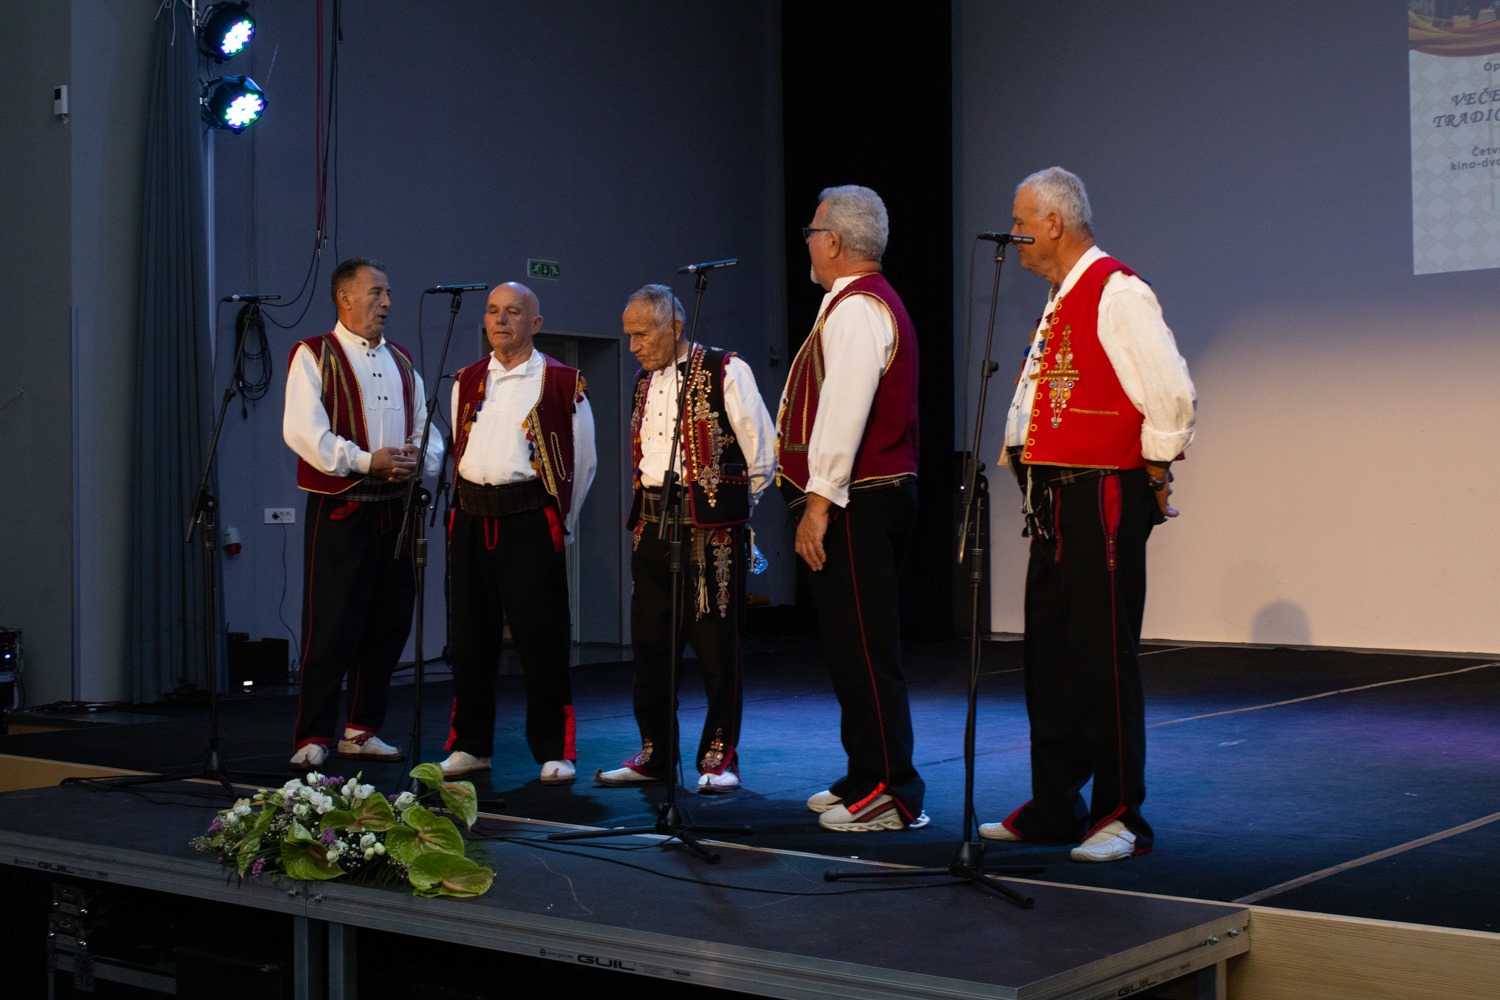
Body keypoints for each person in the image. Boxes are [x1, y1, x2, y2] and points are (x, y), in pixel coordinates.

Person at [980, 166, 1196, 862]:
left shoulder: (1117, 291)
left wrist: (1154, 471)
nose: (1014, 233)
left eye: (1021, 222)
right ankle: (1055, 804)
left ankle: (1120, 814)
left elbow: (1170, 394)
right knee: (1050, 655)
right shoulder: (1063, 296)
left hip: (1099, 493)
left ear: (1054, 222)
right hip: (1052, 498)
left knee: (1102, 655)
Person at [777, 185, 926, 832]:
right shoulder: (851, 302)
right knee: (848, 646)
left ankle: (892, 790)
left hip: (859, 500)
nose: (808, 243)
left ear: (833, 241)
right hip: (859, 497)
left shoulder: (860, 307)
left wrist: (818, 503)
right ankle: (866, 772)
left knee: (866, 648)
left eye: (812, 232)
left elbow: (844, 411)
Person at [595, 285, 775, 794]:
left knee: (717, 648)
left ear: (674, 327)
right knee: (652, 648)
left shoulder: (725, 370)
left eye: (641, 334)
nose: (633, 346)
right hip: (652, 526)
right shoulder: (642, 382)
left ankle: (719, 757)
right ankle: (655, 753)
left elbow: (763, 453)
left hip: (710, 532)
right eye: (628, 335)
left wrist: (727, 508)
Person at [283, 257, 443, 769]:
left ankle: (361, 728)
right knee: (330, 624)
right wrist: (364, 460)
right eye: (376, 292)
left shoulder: (401, 360)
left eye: (388, 293)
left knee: (388, 623)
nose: (387, 302)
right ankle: (313, 734)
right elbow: (304, 432)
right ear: (344, 298)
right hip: (342, 508)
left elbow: (427, 426)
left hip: (395, 509)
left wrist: (419, 457)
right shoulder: (314, 354)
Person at [439, 282, 596, 784]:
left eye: (512, 311)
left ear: (536, 323)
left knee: (540, 637)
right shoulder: (465, 379)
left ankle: (553, 748)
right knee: (469, 639)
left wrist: (563, 523)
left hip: (528, 516)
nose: (500, 320)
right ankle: (470, 745)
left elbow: (584, 461)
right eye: (492, 311)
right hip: (471, 514)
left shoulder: (562, 381)